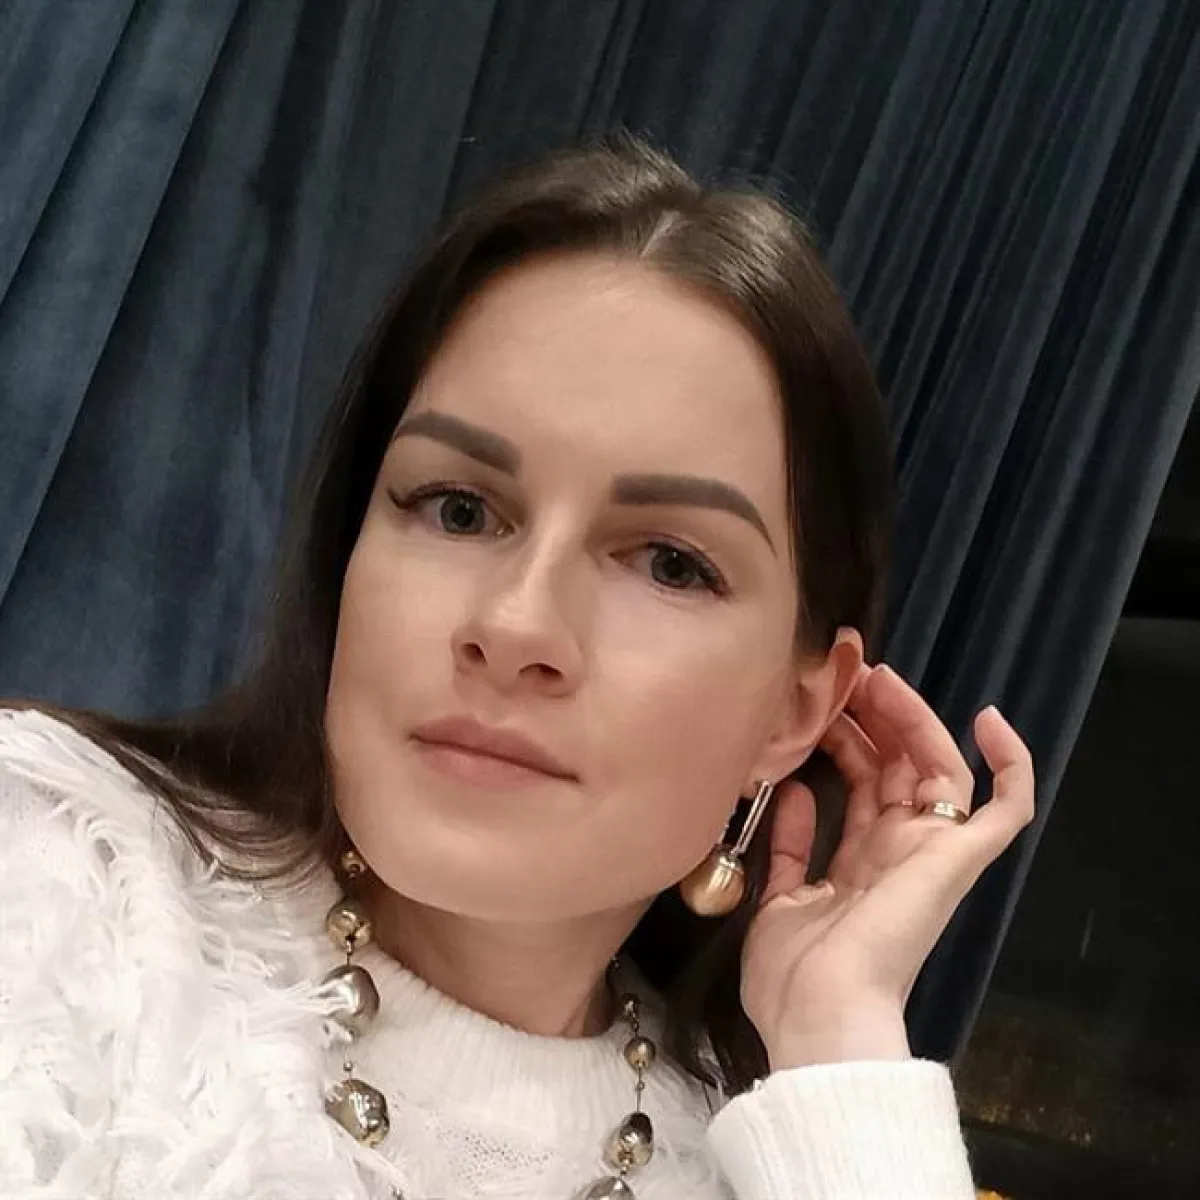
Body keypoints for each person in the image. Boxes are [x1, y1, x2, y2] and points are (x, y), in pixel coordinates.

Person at [0, 136, 1034, 1199]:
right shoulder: (52, 884)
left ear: (796, 710)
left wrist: (841, 1032)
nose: (515, 623)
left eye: (670, 563)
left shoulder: (771, 1158)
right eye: (458, 509)